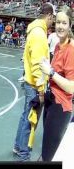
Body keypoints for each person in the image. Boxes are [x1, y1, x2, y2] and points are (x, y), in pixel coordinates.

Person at [13, 3, 56, 161]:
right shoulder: (39, 34)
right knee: (31, 119)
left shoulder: (35, 30)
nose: (53, 22)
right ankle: (24, 154)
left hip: (30, 82)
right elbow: (39, 64)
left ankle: (18, 146)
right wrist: (40, 90)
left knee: (25, 116)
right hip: (34, 85)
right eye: (53, 19)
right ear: (49, 16)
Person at [39, 8, 74, 161]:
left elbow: (72, 87)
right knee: (47, 150)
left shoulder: (71, 50)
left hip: (60, 107)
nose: (60, 26)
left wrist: (51, 72)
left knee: (48, 155)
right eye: (58, 22)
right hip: (51, 101)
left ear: (70, 25)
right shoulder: (59, 45)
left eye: (64, 23)